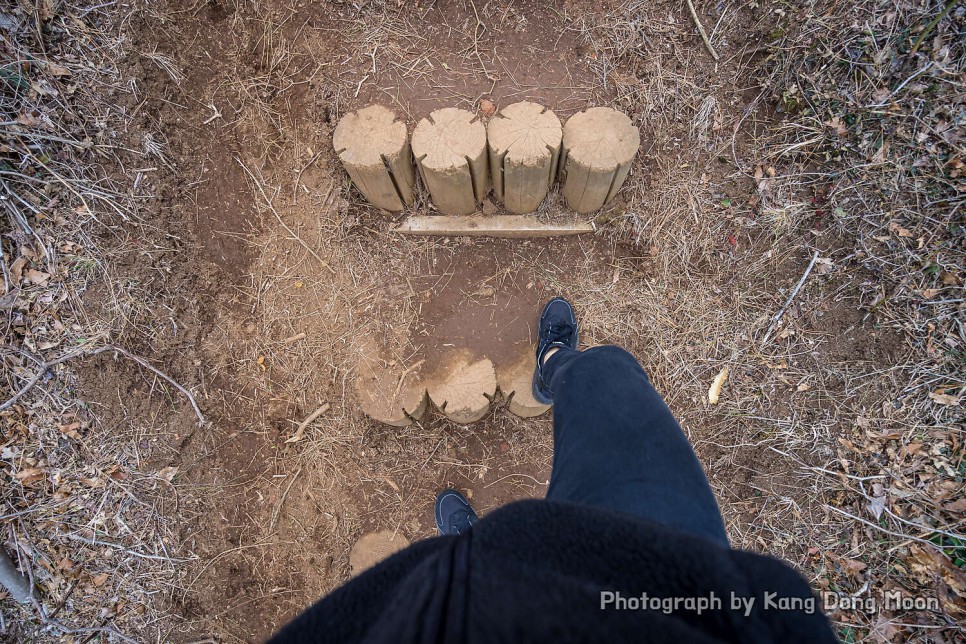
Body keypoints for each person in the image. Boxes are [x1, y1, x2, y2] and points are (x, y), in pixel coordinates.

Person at [270, 298, 836, 643]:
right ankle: (556, 366)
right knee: (608, 380)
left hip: (468, 623)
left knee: (454, 581)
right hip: (679, 591)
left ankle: (475, 548)